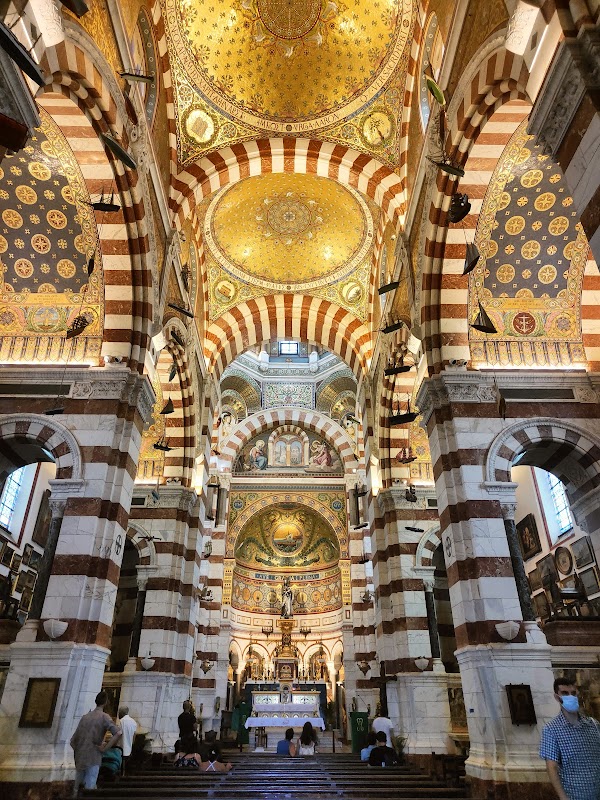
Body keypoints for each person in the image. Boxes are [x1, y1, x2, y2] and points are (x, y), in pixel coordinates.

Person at [539, 676, 600, 800]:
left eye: (573, 693)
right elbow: (552, 767)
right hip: (574, 796)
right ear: (557, 697)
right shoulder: (551, 730)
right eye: (565, 693)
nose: (570, 697)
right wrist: (563, 797)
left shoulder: (593, 724)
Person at [70, 690, 121, 796]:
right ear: (106, 702)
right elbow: (118, 733)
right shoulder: (104, 717)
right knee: (89, 788)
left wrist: (78, 751)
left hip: (80, 756)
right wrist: (105, 748)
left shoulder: (85, 717)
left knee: (76, 788)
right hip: (93, 756)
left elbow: (73, 741)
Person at [117, 706, 137, 774]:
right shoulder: (133, 722)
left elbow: (117, 734)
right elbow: (134, 736)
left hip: (120, 748)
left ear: (121, 713)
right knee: (126, 767)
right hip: (129, 748)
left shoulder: (121, 721)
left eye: (119, 713)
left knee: (120, 767)